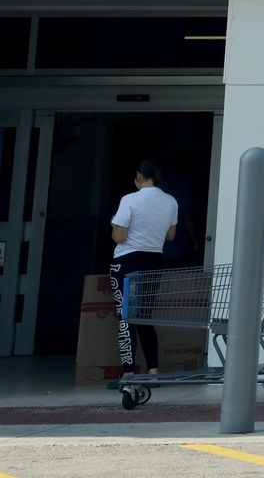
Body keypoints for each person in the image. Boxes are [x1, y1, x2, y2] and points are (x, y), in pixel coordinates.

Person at [108, 161, 178, 378]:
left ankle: (128, 371)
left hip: (127, 261)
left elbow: (119, 237)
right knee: (145, 317)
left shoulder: (129, 200)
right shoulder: (171, 201)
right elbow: (170, 236)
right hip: (154, 260)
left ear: (139, 176)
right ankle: (153, 369)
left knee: (125, 316)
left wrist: (113, 226)